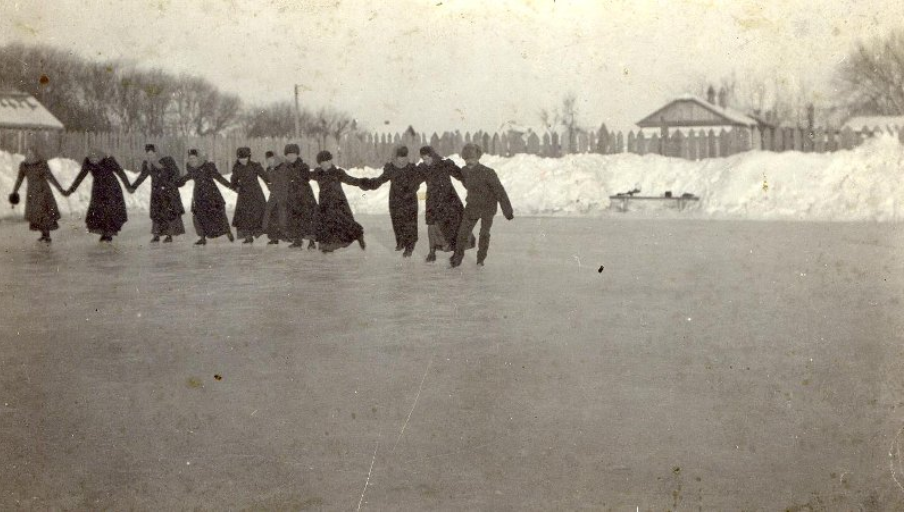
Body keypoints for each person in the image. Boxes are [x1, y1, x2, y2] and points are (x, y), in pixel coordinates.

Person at [449, 143, 514, 268]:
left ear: (478, 158)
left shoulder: (488, 172)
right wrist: (448, 166)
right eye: (467, 159)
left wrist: (507, 211)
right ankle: (457, 260)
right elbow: (460, 176)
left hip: (487, 207)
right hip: (472, 206)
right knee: (462, 233)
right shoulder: (465, 171)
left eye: (472, 159)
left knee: (484, 233)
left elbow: (500, 191)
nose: (469, 162)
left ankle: (480, 259)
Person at [363, 146, 423, 257]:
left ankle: (410, 247)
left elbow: (417, 182)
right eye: (400, 157)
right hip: (395, 199)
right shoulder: (391, 168)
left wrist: (411, 191)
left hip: (409, 200)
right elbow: (380, 180)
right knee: (397, 222)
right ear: (396, 157)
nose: (403, 160)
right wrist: (369, 184)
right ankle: (400, 242)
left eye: (405, 157)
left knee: (410, 223)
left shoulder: (412, 168)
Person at [417, 145, 473, 262]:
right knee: (432, 226)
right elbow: (414, 181)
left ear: (432, 156)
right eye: (424, 159)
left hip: (450, 200)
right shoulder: (423, 169)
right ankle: (432, 252)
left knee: (454, 226)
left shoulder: (444, 165)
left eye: (428, 159)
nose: (426, 162)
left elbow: (460, 175)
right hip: (433, 201)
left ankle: (457, 251)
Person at [65, 149, 132, 243]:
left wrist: (128, 186)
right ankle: (105, 233)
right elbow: (81, 175)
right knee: (99, 211)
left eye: (96, 158)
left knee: (109, 210)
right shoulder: (87, 161)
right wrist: (71, 189)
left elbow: (120, 172)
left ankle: (108, 234)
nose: (94, 160)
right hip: (98, 189)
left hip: (111, 187)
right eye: (92, 159)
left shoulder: (108, 160)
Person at [309, 150, 368, 253]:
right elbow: (304, 175)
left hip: (338, 203)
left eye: (327, 161)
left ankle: (358, 235)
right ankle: (327, 247)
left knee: (345, 223)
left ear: (330, 161)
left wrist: (362, 182)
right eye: (322, 162)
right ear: (319, 163)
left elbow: (351, 180)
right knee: (326, 225)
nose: (325, 164)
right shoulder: (318, 173)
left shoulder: (337, 173)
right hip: (325, 204)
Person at [261, 144, 318, 248]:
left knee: (307, 218)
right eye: (289, 154)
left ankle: (311, 242)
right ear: (286, 156)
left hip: (304, 196)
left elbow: (306, 178)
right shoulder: (285, 166)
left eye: (293, 154)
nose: (291, 156)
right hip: (292, 196)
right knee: (294, 218)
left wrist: (296, 178)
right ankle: (297, 241)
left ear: (297, 154)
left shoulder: (303, 166)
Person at [176, 149, 235, 245]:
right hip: (199, 196)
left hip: (212, 194)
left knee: (218, 215)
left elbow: (218, 177)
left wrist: (231, 186)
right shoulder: (192, 169)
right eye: (190, 158)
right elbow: (185, 178)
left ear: (198, 158)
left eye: (194, 158)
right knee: (197, 216)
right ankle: (202, 237)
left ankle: (227, 231)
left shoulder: (207, 166)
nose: (192, 160)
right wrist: (177, 183)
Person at [8, 147, 66, 243]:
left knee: (43, 213)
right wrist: (14, 191)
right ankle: (43, 234)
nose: (30, 156)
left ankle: (47, 235)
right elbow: (19, 179)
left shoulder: (41, 164)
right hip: (32, 193)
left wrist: (60, 189)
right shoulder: (24, 166)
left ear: (36, 154)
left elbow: (50, 177)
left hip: (43, 192)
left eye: (32, 154)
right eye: (28, 154)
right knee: (36, 215)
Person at [130, 144, 185, 243]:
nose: (150, 156)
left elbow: (176, 173)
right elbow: (142, 176)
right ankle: (156, 235)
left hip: (169, 192)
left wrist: (169, 184)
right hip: (157, 192)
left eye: (152, 154)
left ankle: (169, 235)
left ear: (156, 152)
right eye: (148, 154)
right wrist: (133, 186)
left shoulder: (167, 160)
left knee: (169, 213)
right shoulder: (148, 164)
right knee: (156, 214)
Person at [230, 147, 268, 243]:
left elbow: (265, 176)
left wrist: (271, 184)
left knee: (257, 215)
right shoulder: (237, 167)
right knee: (244, 217)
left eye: (245, 158)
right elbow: (233, 181)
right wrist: (236, 187)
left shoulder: (255, 165)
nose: (243, 160)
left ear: (249, 157)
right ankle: (248, 236)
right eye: (240, 158)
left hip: (256, 194)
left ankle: (271, 236)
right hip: (243, 195)